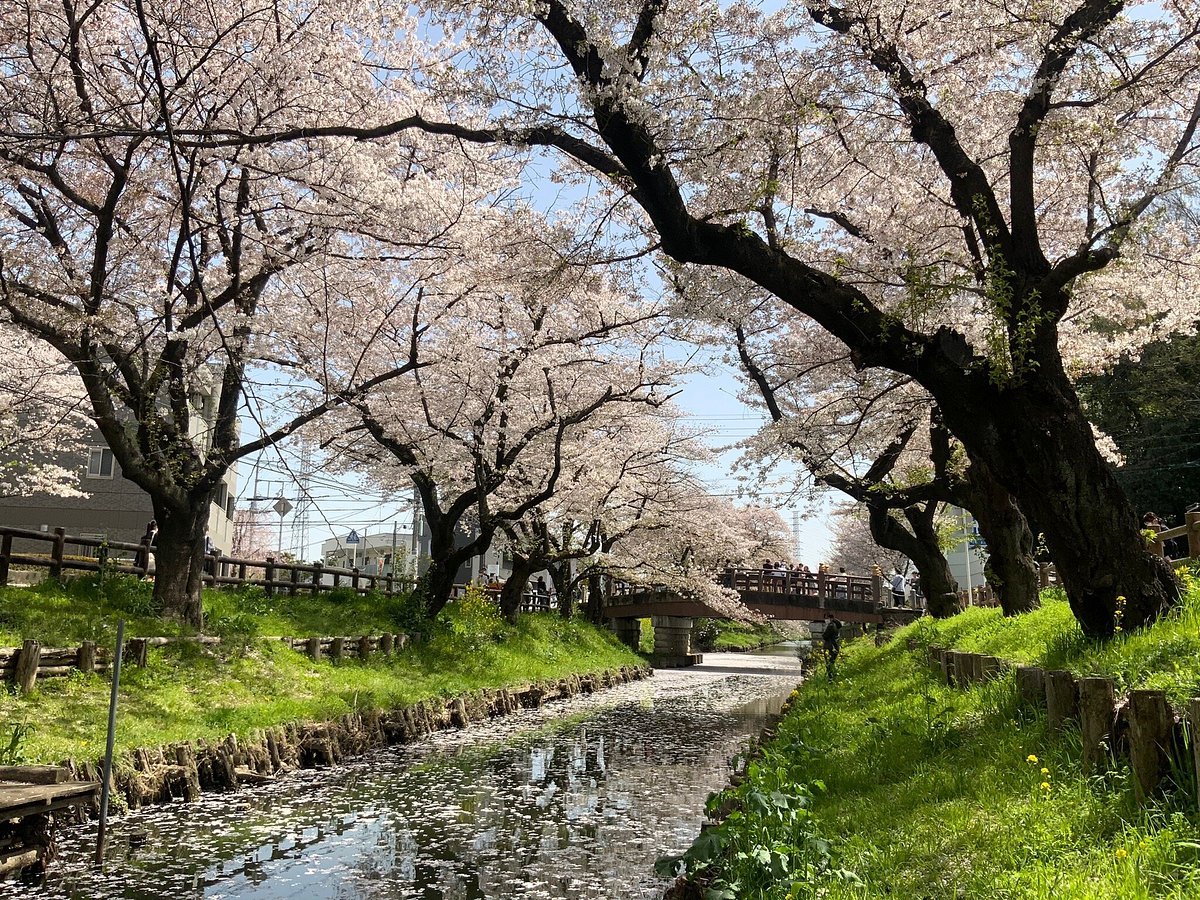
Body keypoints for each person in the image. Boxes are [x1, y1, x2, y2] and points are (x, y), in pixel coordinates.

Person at [821, 614, 842, 680]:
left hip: (829, 646)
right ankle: (833, 677)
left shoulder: (831, 626)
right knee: (832, 662)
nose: (825, 620)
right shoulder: (837, 625)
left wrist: (824, 634)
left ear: (831, 618)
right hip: (835, 646)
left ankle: (830, 678)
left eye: (826, 618)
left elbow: (825, 635)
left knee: (829, 664)